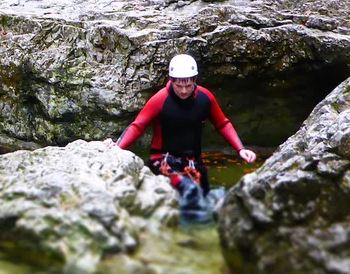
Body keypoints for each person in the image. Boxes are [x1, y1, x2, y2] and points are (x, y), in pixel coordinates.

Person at [104, 54, 256, 195]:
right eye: (179, 86)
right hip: (162, 160)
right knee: (188, 191)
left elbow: (222, 124)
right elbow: (138, 126)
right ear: (171, 80)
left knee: (203, 195)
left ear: (195, 80)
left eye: (188, 86)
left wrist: (240, 149)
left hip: (193, 161)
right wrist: (118, 147)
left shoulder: (205, 98)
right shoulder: (160, 100)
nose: (184, 91)